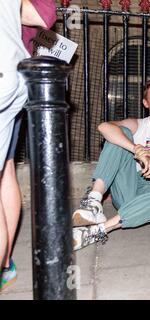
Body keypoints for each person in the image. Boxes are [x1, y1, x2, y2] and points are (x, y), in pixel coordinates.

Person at [71, 79, 150, 251]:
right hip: (129, 186)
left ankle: (99, 230)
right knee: (120, 134)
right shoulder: (138, 124)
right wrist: (137, 150)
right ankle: (94, 201)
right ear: (145, 103)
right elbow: (103, 127)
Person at [0, 0, 56, 292]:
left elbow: (46, 18)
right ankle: (6, 263)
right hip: (15, 76)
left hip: (9, 77)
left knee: (6, 170)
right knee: (6, 169)